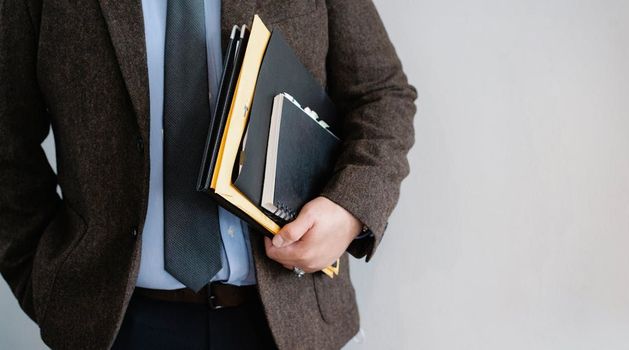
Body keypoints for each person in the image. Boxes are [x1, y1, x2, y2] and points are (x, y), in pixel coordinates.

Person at [0, 0, 416, 349]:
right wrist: (46, 288)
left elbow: (381, 94)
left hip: (295, 316)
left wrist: (350, 207)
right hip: (114, 324)